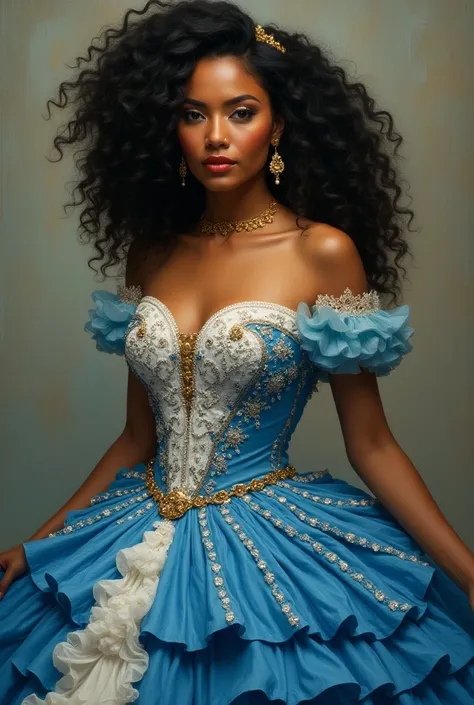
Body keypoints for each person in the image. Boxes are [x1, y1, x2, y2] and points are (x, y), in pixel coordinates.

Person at [1, 0, 474, 702]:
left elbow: (371, 443)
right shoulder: (153, 252)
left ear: (278, 124)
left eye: (240, 112)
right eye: (194, 114)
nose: (215, 136)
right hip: (133, 524)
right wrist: (39, 540)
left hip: (267, 541)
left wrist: (468, 573)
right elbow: (137, 437)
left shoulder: (323, 252)